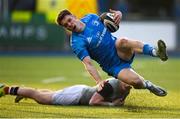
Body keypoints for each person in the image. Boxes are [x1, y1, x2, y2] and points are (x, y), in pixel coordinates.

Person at [56, 9, 168, 97]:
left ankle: (156, 52)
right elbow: (88, 64)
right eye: (66, 25)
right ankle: (149, 86)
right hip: (113, 66)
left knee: (122, 41)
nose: (69, 24)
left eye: (69, 20)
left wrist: (119, 14)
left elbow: (111, 19)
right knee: (136, 82)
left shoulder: (91, 17)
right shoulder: (76, 42)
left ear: (74, 16)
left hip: (120, 50)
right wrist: (99, 81)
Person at [0, 78, 131, 106]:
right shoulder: (111, 86)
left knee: (51, 93)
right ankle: (6, 89)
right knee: (40, 98)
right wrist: (112, 105)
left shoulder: (127, 87)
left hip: (80, 91)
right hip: (77, 96)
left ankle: (23, 91)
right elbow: (93, 102)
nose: (129, 85)